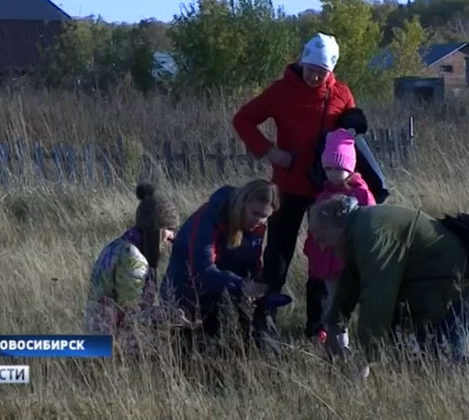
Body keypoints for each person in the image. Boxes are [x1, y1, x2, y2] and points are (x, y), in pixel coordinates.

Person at [309, 195, 469, 381]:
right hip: (444, 292)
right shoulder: (359, 231)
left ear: (337, 224)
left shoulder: (371, 231)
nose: (321, 248)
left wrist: (367, 359)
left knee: (448, 365)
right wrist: (333, 324)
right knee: (433, 365)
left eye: (321, 238)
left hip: (465, 289)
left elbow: (378, 296)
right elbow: (349, 284)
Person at [232, 33, 356, 325]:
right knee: (277, 256)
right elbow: (243, 119)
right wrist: (270, 151)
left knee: (323, 258)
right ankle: (265, 322)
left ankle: (319, 328)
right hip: (287, 188)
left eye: (321, 72)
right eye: (310, 69)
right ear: (302, 62)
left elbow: (349, 139)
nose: (314, 76)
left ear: (332, 71)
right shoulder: (281, 91)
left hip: (325, 190)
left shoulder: (341, 94)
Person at [162, 179, 285, 344]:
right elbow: (202, 269)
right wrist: (243, 286)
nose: (258, 221)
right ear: (243, 204)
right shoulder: (211, 217)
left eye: (264, 217)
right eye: (254, 213)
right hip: (185, 293)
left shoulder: (257, 228)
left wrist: (257, 288)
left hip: (224, 293)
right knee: (187, 349)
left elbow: (250, 263)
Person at [84, 183, 195, 348]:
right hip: (113, 341)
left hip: (95, 335)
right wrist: (171, 317)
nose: (173, 237)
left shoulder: (117, 245)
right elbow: (132, 315)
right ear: (155, 229)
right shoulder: (133, 258)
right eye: (169, 229)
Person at [302, 128, 376, 344]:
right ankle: (339, 347)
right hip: (327, 264)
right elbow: (316, 229)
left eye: (337, 167)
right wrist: (312, 250)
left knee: (361, 303)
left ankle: (368, 341)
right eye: (327, 168)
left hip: (351, 263)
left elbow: (371, 223)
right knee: (335, 305)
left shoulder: (361, 193)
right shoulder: (323, 194)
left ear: (349, 166)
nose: (331, 173)